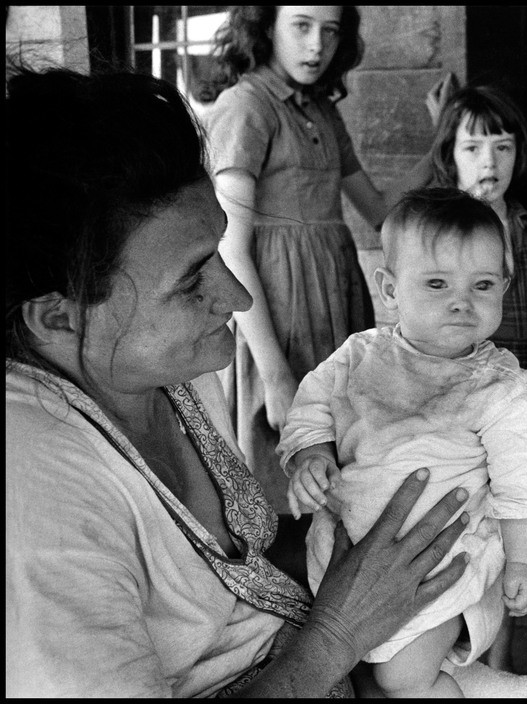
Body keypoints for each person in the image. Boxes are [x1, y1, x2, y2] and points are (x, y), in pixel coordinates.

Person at [5, 66, 471, 698]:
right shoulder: (37, 501)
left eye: (222, 251)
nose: (239, 296)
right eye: (193, 279)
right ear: (58, 317)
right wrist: (339, 633)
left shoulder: (172, 372)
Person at [278, 188, 527, 697]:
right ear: (390, 290)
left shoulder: (500, 387)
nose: (462, 301)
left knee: (402, 676)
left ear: (505, 287)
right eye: (436, 283)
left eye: (483, 285)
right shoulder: (357, 357)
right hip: (348, 551)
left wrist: (524, 562)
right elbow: (311, 409)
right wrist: (312, 456)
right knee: (353, 672)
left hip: (446, 562)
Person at [205, 6, 454, 511]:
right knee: (283, 480)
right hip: (274, 315)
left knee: (340, 473)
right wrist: (275, 374)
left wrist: (444, 136)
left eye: (330, 30)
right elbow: (230, 249)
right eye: (301, 25)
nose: (317, 45)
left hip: (332, 304)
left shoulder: (320, 111)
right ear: (266, 28)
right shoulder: (246, 106)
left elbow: (382, 209)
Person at [428, 84, 527, 670]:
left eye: (502, 148)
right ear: (449, 156)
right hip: (455, 393)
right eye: (472, 148)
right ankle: (443, 657)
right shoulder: (436, 231)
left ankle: (498, 667)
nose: (489, 164)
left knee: (515, 531)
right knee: (460, 526)